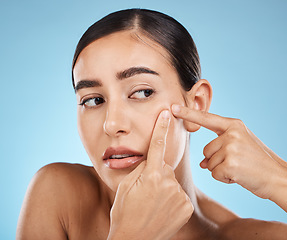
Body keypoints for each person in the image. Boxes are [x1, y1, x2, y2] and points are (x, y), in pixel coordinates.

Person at [16, 8, 287, 240]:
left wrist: (280, 179)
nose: (112, 124)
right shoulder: (58, 194)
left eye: (143, 92)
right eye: (93, 100)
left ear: (197, 104)